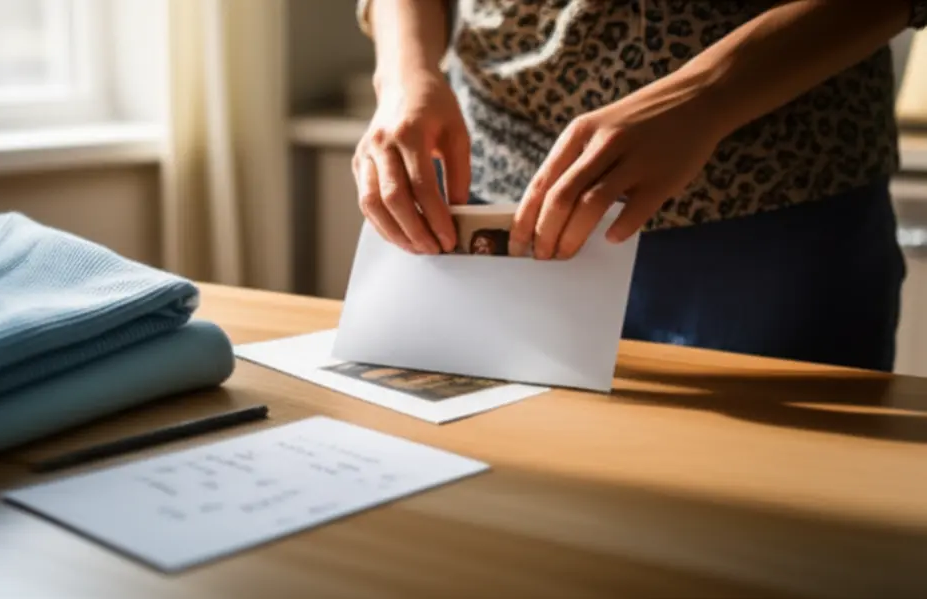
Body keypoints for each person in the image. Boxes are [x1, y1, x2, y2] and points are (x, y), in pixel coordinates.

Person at [351, 0, 926, 372]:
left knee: (777, 521)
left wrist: (709, 93)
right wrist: (404, 73)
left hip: (770, 188)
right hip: (493, 181)